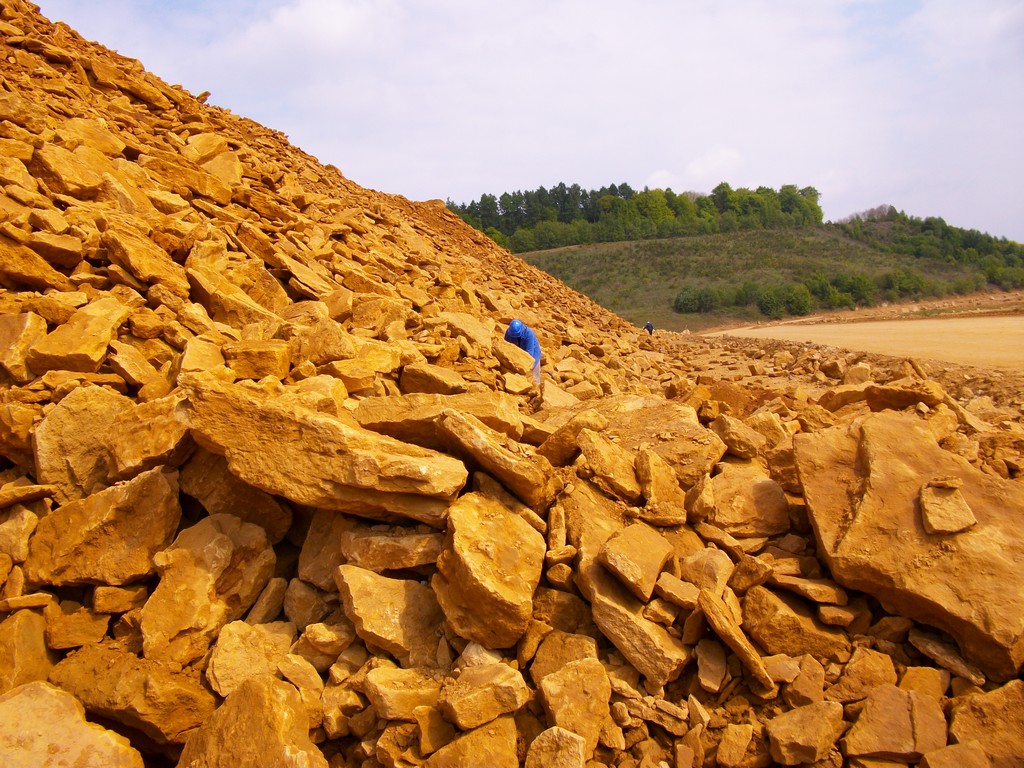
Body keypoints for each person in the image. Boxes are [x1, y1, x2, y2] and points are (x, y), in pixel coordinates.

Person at [504, 318, 542, 385]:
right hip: (518, 354)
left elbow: (530, 354)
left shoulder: (528, 334)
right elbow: (506, 345)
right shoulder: (509, 332)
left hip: (533, 355)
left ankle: (536, 386)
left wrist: (525, 366)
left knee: (534, 377)